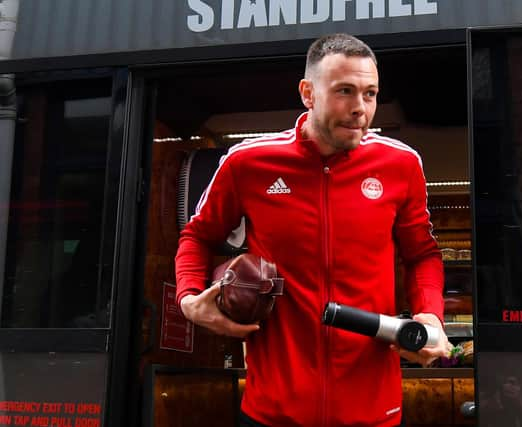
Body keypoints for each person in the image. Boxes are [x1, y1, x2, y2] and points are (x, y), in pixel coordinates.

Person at [175, 33, 448, 427]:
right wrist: (189, 300)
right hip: (272, 410)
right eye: (344, 91)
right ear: (308, 92)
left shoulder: (400, 164)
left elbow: (422, 253)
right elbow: (197, 237)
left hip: (371, 412)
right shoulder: (248, 163)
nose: (360, 109)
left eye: (370, 94)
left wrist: (430, 318)